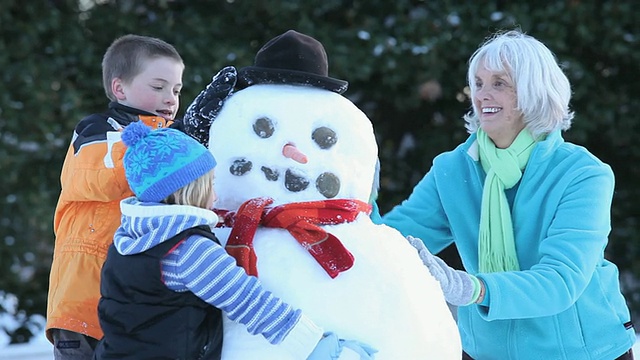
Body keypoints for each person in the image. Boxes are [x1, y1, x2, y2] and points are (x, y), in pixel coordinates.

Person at [378, 30, 636, 360]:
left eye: (500, 83)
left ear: (534, 90)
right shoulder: (453, 169)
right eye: (479, 83)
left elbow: (560, 281)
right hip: (486, 350)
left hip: (581, 351)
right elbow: (387, 239)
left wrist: (471, 288)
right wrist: (355, 193)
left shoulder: (582, 174)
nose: (483, 94)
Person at [93, 121, 375, 359]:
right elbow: (250, 302)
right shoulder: (189, 251)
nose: (215, 196)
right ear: (191, 189)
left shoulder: (129, 239)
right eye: (210, 184)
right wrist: (320, 348)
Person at [45, 34, 187, 359]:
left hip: (133, 300)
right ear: (120, 88)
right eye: (158, 87)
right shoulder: (94, 132)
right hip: (83, 300)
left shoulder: (170, 138)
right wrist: (182, 134)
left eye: (177, 90)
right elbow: (115, 173)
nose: (170, 98)